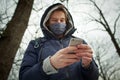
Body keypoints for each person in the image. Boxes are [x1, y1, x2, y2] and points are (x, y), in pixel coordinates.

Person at [19, 3, 99, 80]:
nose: (59, 23)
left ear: (66, 22)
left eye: (62, 20)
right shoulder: (36, 44)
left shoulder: (80, 43)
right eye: (54, 20)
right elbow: (24, 77)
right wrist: (50, 64)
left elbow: (94, 77)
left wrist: (88, 65)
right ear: (47, 23)